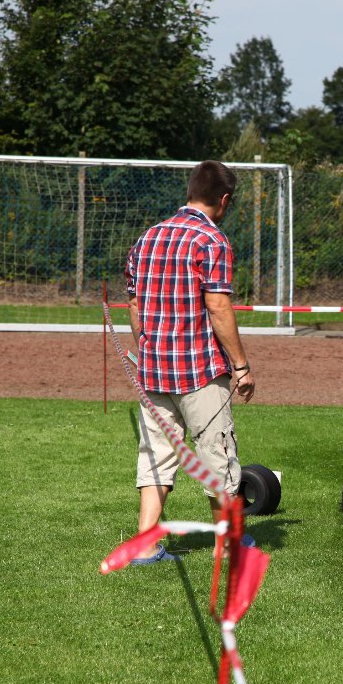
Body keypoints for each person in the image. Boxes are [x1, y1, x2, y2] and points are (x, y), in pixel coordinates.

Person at [123, 160, 255, 565]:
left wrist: (147, 348)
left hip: (154, 369)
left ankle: (144, 545)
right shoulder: (212, 241)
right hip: (199, 371)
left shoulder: (147, 237)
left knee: (157, 455)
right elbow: (217, 305)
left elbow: (134, 304)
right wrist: (241, 365)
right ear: (225, 199)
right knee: (217, 456)